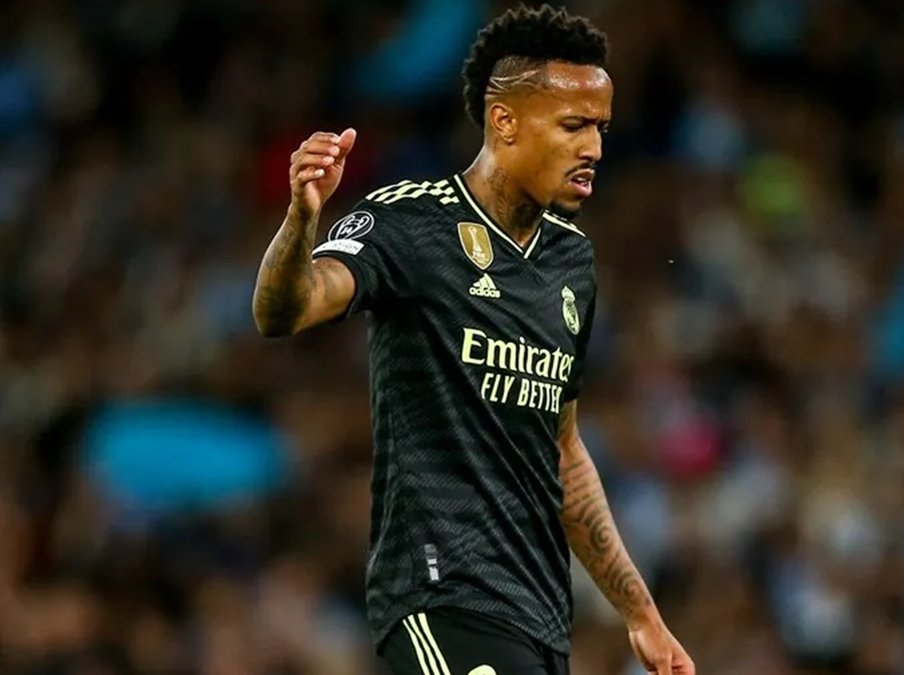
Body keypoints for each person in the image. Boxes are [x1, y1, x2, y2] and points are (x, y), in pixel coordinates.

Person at [251, 5, 695, 675]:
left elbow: (563, 451)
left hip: (538, 613)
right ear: (505, 121)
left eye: (600, 129)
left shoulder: (572, 262)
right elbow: (285, 309)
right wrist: (301, 220)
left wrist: (641, 614)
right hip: (438, 593)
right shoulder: (410, 221)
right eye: (573, 126)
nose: (594, 149)